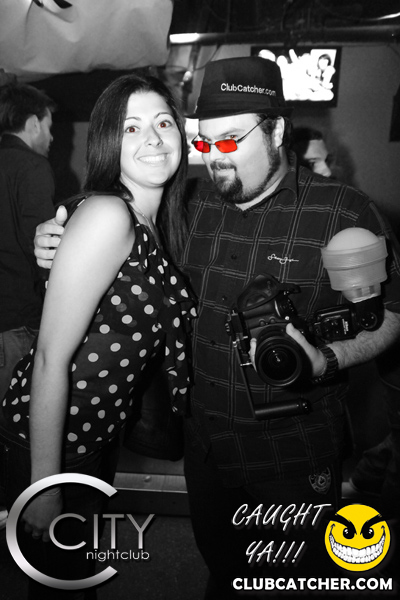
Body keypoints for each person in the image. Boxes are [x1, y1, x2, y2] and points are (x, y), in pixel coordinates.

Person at [34, 58, 400, 598]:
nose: (213, 157)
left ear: (276, 131)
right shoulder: (189, 205)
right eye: (204, 142)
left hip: (292, 455)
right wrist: (54, 230)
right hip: (206, 452)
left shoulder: (344, 212)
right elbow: (111, 212)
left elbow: (392, 315)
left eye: (230, 140)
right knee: (224, 573)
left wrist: (331, 358)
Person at [0, 73, 195, 599]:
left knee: (71, 580)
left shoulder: (154, 224)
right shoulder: (110, 214)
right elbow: (49, 359)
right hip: (53, 446)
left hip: (93, 437)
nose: (153, 138)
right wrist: (45, 487)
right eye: (132, 127)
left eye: (163, 123)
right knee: (61, 586)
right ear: (109, 141)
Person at [0, 83, 56, 401]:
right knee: (17, 421)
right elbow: (42, 250)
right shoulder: (31, 166)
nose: (52, 137)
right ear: (33, 123)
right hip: (16, 321)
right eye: (49, 127)